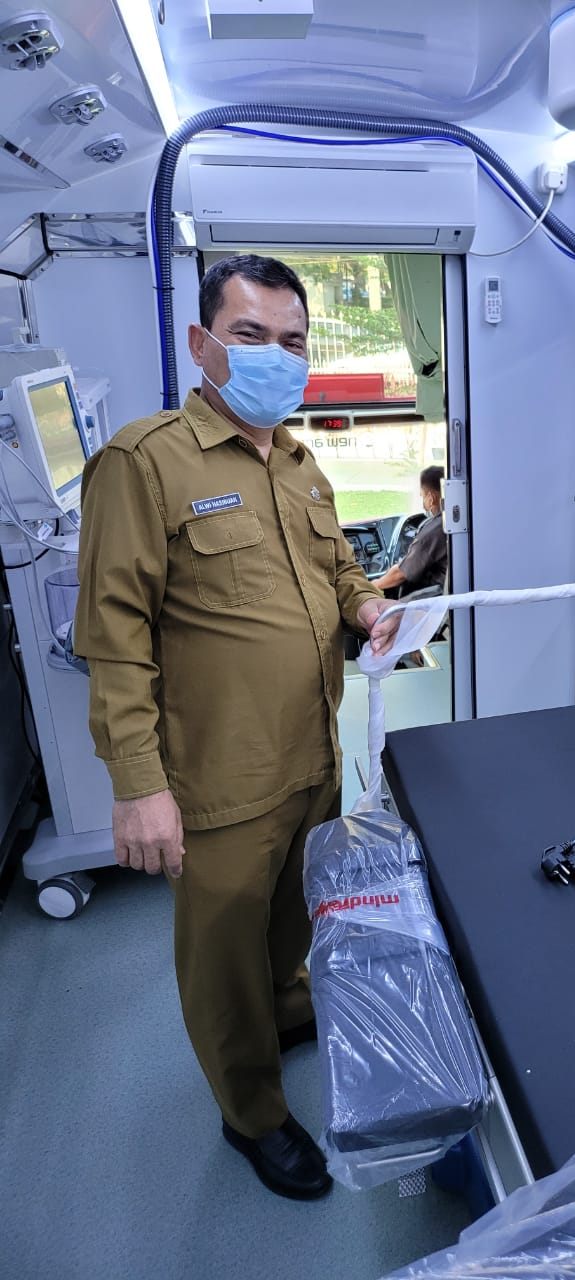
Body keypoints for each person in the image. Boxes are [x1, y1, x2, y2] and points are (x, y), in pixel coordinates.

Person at [73, 254, 399, 1200]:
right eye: (250, 335)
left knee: (291, 920)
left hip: (311, 757)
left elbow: (337, 571)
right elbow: (113, 637)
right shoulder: (145, 462)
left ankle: (285, 1012)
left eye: (293, 342)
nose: (275, 357)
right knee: (222, 956)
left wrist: (370, 607)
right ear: (201, 343)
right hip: (217, 778)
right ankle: (250, 1112)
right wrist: (138, 787)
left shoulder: (299, 463)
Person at [373, 465, 448, 598]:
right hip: (445, 591)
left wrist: (375, 584)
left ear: (431, 498)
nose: (423, 505)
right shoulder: (451, 522)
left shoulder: (434, 530)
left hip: (439, 596)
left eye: (423, 497)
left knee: (389, 608)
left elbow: (400, 574)